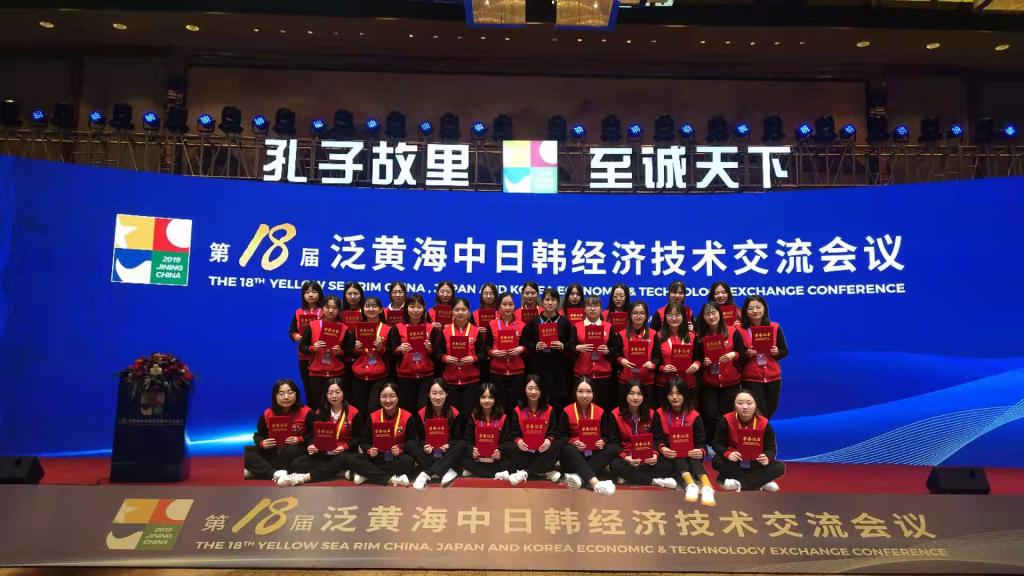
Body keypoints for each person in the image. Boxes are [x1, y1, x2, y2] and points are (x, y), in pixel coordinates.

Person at [277, 378, 362, 486]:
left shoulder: (354, 413)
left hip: (343, 453)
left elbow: (358, 438)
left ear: (344, 393)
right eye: (330, 393)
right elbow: (313, 436)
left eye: (338, 392)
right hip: (324, 453)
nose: (334, 396)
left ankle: (304, 478)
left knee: (344, 459)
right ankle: (340, 471)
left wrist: (344, 447)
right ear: (325, 394)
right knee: (297, 463)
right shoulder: (320, 412)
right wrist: (312, 445)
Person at [605, 382, 677, 489]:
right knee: (614, 465)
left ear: (644, 396)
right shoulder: (615, 414)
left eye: (639, 394)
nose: (635, 397)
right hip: (626, 457)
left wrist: (655, 454)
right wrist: (626, 457)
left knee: (669, 466)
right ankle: (654, 481)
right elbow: (613, 442)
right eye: (631, 393)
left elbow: (657, 438)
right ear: (625, 395)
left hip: (646, 457)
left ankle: (627, 475)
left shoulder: (652, 414)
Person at [711, 390, 786, 492]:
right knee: (717, 461)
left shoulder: (764, 423)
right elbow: (717, 444)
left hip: (756, 463)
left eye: (749, 403)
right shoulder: (726, 420)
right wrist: (728, 454)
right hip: (735, 462)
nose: (745, 407)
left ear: (756, 405)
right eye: (740, 403)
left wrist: (767, 457)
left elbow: (771, 448)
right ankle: (761, 481)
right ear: (734, 405)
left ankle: (738, 482)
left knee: (780, 467)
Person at [657, 378, 715, 506]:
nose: (674, 397)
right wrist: (662, 448)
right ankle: (691, 484)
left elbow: (701, 442)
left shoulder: (695, 416)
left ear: (685, 395)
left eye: (678, 393)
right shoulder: (659, 413)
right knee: (676, 452)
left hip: (690, 454)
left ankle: (706, 486)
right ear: (666, 395)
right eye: (670, 393)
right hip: (670, 454)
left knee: (691, 455)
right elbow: (657, 438)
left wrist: (700, 451)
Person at [347, 382, 419, 486]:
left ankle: (367, 474)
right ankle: (390, 479)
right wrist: (369, 449)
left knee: (409, 462)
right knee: (352, 459)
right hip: (377, 456)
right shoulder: (373, 417)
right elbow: (364, 442)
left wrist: (400, 449)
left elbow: (412, 441)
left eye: (392, 396)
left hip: (396, 457)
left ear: (398, 397)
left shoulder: (407, 417)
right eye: (384, 396)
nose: (388, 400)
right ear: (379, 398)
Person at [693, 301, 745, 442]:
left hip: (731, 382)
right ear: (703, 317)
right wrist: (703, 362)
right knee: (710, 415)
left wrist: (734, 354)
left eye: (714, 312)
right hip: (710, 383)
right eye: (707, 314)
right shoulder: (700, 336)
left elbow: (743, 355)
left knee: (728, 415)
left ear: (720, 314)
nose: (711, 317)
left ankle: (725, 442)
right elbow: (697, 358)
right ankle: (716, 442)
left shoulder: (733, 332)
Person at [559, 377, 617, 495]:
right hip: (575, 456)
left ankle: (579, 478)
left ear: (593, 393)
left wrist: (603, 441)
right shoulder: (567, 411)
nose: (584, 395)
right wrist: (574, 442)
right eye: (580, 391)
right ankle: (596, 483)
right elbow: (561, 437)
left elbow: (606, 436)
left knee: (614, 447)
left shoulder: (600, 411)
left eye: (588, 391)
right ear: (575, 392)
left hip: (593, 456)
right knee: (567, 448)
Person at [244, 379, 311, 481]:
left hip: (296, 450)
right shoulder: (267, 413)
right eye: (281, 393)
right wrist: (262, 443)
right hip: (273, 450)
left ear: (296, 394)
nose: (286, 397)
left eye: (290, 392)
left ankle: (259, 470)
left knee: (290, 453)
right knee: (246, 451)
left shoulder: (307, 412)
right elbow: (258, 435)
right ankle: (274, 473)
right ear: (275, 396)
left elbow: (314, 435)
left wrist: (300, 439)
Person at [520, 287, 575, 409]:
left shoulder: (565, 322)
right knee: (540, 398)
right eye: (547, 299)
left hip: (559, 368)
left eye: (553, 300)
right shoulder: (534, 321)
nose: (550, 303)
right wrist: (535, 346)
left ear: (558, 302)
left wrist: (563, 346)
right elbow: (525, 341)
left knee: (558, 401)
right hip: (538, 365)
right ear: (542, 302)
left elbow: (571, 343)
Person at [506, 375, 567, 484]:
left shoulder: (550, 410)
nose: (533, 392)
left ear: (542, 390)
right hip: (525, 451)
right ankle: (543, 471)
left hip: (542, 450)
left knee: (559, 444)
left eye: (537, 388)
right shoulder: (517, 410)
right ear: (524, 389)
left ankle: (526, 472)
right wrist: (518, 441)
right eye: (530, 388)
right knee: (508, 446)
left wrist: (548, 440)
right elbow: (514, 434)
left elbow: (553, 433)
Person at [738, 295, 788, 419]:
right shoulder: (739, 330)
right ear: (745, 311)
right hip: (751, 379)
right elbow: (738, 355)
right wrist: (747, 354)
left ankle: (763, 430)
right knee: (761, 413)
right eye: (750, 308)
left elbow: (784, 351)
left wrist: (777, 352)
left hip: (773, 377)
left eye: (758, 307)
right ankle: (763, 431)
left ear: (764, 308)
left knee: (770, 411)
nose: (755, 311)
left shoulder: (774, 327)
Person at [300, 295, 353, 412]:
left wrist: (340, 352)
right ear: (322, 308)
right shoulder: (312, 325)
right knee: (317, 406)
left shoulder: (344, 328)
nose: (330, 310)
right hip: (316, 374)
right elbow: (302, 347)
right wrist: (313, 348)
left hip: (337, 374)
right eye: (327, 307)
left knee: (338, 407)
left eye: (334, 308)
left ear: (339, 310)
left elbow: (350, 351)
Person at [409, 379, 466, 490]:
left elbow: (457, 437)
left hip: (447, 452)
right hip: (429, 453)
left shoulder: (454, 412)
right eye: (434, 393)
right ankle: (447, 470)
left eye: (441, 393)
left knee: (462, 445)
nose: (438, 397)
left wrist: (448, 445)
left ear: (446, 394)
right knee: (410, 445)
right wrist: (425, 446)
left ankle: (426, 474)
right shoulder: (421, 413)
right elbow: (421, 438)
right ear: (428, 394)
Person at [434, 297, 486, 416]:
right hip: (450, 381)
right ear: (452, 311)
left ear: (468, 311)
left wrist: (473, 358)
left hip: (471, 381)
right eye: (457, 310)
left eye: (463, 309)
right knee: (453, 415)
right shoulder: (445, 331)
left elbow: (483, 354)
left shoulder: (475, 331)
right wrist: (445, 358)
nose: (460, 313)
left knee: (468, 415)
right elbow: (437, 353)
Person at [459, 382, 519, 484]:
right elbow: (467, 440)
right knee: (460, 459)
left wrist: (500, 452)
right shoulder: (473, 417)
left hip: (495, 459)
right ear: (479, 399)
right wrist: (472, 451)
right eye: (483, 397)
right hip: (478, 458)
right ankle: (496, 473)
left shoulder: (503, 418)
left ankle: (476, 471)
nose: (487, 400)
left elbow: (507, 441)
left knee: (512, 463)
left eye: (490, 397)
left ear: (495, 399)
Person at [389, 293, 440, 411]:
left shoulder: (431, 328)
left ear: (424, 308)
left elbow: (437, 353)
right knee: (406, 409)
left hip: (426, 376)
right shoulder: (397, 327)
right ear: (406, 308)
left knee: (423, 409)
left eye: (419, 307)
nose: (415, 310)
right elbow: (391, 351)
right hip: (405, 376)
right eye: (412, 306)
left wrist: (430, 349)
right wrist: (399, 349)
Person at [610, 301, 661, 407]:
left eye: (642, 313)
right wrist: (621, 360)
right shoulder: (621, 334)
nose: (638, 316)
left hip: (647, 381)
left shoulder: (653, 334)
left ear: (646, 315)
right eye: (635, 313)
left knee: (647, 412)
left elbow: (657, 356)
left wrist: (652, 364)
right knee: (625, 411)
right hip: (626, 381)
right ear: (630, 315)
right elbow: (615, 355)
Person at [485, 292, 527, 414]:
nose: (507, 307)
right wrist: (493, 352)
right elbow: (486, 347)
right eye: (504, 304)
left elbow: (526, 346)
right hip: (497, 372)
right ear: (499, 306)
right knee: (499, 406)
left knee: (515, 407)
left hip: (517, 372)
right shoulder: (491, 324)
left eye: (510, 304)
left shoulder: (522, 325)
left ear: (514, 306)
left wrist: (521, 349)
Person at [571, 295, 615, 410]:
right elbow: (570, 346)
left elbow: (615, 349)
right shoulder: (577, 326)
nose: (592, 308)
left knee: (603, 408)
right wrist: (577, 348)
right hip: (582, 375)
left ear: (601, 309)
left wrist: (608, 351)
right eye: (589, 306)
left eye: (596, 306)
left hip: (603, 376)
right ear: (584, 309)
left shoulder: (608, 327)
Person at [351, 296, 393, 413]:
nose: (370, 309)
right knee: (359, 410)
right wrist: (356, 349)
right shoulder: (356, 329)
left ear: (380, 310)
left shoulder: (388, 329)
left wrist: (381, 349)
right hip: (359, 376)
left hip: (379, 377)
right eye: (367, 306)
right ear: (363, 309)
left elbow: (392, 352)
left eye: (374, 306)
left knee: (374, 409)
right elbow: (348, 351)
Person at [655, 302, 700, 399]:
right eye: (670, 315)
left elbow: (698, 356)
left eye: (677, 315)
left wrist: (697, 364)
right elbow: (654, 359)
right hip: (664, 385)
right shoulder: (658, 336)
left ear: (683, 317)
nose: (674, 318)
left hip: (687, 384)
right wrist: (662, 368)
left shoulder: (692, 335)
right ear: (665, 317)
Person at [288, 280, 323, 405]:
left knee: (322, 388)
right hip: (304, 356)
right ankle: (311, 412)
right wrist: (295, 336)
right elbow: (292, 331)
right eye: (307, 292)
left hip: (321, 355)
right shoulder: (298, 312)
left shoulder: (325, 311)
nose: (310, 295)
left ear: (320, 293)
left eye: (314, 292)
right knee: (308, 387)